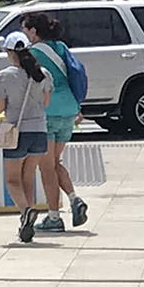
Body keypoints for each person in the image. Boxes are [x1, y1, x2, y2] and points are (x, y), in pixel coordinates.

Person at [20, 12, 87, 230]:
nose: (25, 35)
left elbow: (28, 86)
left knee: (46, 168)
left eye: (26, 30)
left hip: (47, 112)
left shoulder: (31, 54)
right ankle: (74, 199)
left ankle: (54, 218)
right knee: (55, 162)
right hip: (68, 109)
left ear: (33, 31)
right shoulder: (61, 48)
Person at [0, 32, 53, 245]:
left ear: (10, 53)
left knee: (12, 179)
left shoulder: (4, 76)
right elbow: (46, 102)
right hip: (39, 131)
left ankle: (26, 211)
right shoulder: (43, 73)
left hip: (17, 132)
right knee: (28, 177)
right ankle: (25, 224)